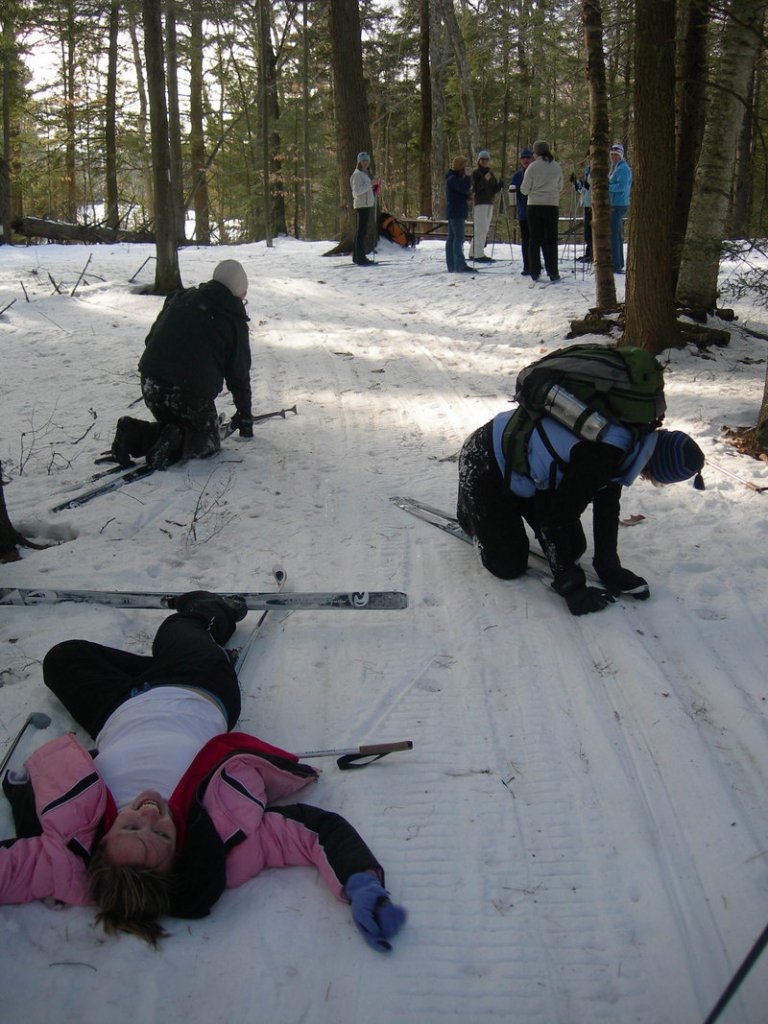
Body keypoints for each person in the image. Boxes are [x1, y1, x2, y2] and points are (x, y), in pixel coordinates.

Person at [0, 592, 406, 951]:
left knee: (62, 658)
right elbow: (316, 831)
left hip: (116, 707)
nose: (148, 813)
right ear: (178, 849)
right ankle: (214, 614)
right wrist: (360, 880)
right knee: (178, 626)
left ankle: (167, 658)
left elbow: (9, 872)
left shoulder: (66, 849)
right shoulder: (225, 831)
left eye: (130, 827)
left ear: (102, 842)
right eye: (161, 833)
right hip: (197, 687)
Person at [456, 412, 705, 617]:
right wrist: (571, 586)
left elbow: (607, 505)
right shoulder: (602, 455)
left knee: (574, 547)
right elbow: (555, 517)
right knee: (507, 565)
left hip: (528, 471)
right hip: (486, 460)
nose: (647, 479)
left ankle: (511, 506)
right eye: (655, 478)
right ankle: (471, 516)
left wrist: (610, 569)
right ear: (657, 466)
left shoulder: (629, 443)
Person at [109, 260, 253, 471]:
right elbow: (238, 374)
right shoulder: (233, 319)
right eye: (243, 292)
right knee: (207, 442)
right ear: (238, 290)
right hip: (188, 396)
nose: (244, 297)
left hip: (151, 385)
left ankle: (133, 433)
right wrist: (245, 416)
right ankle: (173, 439)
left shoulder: (180, 297)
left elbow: (151, 339)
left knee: (177, 423)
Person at [520, 140, 564, 284]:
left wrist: (534, 190)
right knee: (551, 239)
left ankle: (535, 271)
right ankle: (553, 271)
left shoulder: (532, 167)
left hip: (535, 205)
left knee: (534, 239)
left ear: (536, 152)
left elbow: (524, 189)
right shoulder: (556, 166)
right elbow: (560, 185)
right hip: (551, 206)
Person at [470, 150, 503, 262]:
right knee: (480, 228)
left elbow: (492, 190)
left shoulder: (491, 173)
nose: (484, 161)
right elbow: (476, 188)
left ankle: (473, 252)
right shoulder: (476, 173)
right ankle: (478, 254)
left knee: (485, 228)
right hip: (480, 203)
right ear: (479, 161)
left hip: (489, 202)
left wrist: (499, 186)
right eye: (482, 159)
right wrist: (485, 179)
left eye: (486, 159)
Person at [445, 156, 476, 274]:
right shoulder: (453, 179)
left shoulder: (452, 178)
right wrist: (468, 178)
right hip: (456, 211)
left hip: (455, 210)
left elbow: (461, 192)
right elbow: (464, 188)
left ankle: (452, 265)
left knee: (452, 238)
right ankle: (459, 265)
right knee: (458, 238)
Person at [350, 152, 379, 267]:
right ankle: (360, 258)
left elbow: (367, 189)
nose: (365, 163)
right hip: (361, 205)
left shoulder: (365, 173)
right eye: (363, 161)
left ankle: (357, 257)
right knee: (361, 232)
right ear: (359, 162)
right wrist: (370, 184)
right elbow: (357, 191)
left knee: (361, 232)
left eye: (367, 161)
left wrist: (374, 187)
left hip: (366, 204)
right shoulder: (357, 174)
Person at [508, 148, 534, 276]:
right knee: (526, 240)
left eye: (528, 158)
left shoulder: (536, 173)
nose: (525, 160)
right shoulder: (517, 176)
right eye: (523, 158)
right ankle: (527, 266)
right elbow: (512, 194)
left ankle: (535, 265)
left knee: (535, 239)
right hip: (523, 212)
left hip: (536, 212)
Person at [608, 143, 632, 273]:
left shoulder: (623, 169)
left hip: (619, 204)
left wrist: (607, 187)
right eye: (612, 154)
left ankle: (616, 263)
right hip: (615, 203)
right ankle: (617, 262)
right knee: (615, 233)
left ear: (621, 156)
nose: (613, 157)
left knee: (614, 234)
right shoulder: (615, 167)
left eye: (616, 155)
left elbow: (621, 187)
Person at [574, 152, 592, 262]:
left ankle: (592, 254)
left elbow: (596, 188)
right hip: (586, 202)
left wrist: (587, 186)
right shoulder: (587, 170)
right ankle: (588, 253)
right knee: (587, 231)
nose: (589, 160)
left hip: (592, 204)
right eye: (588, 158)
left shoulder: (597, 171)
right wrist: (578, 185)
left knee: (590, 231)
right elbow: (584, 190)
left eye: (591, 158)